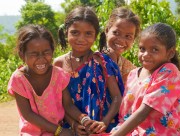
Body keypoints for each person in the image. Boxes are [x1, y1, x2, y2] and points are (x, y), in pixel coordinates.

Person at [7, 24, 94, 136]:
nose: (41, 58)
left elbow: (67, 105)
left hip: (59, 127)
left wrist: (83, 120)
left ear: (52, 52)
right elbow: (27, 114)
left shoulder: (59, 75)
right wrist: (59, 131)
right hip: (32, 132)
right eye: (34, 54)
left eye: (46, 52)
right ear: (22, 55)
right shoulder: (18, 79)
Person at [54, 6, 124, 135]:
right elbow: (60, 102)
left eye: (88, 33)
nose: (81, 38)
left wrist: (105, 122)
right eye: (75, 32)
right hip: (71, 127)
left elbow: (116, 97)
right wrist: (73, 124)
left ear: (96, 35)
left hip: (102, 127)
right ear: (66, 32)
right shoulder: (59, 64)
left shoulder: (102, 62)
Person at [111, 23, 180, 136]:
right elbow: (125, 113)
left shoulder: (169, 72)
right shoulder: (133, 74)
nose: (146, 54)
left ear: (170, 53)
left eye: (154, 50)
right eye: (142, 49)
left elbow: (144, 111)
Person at [99, 7, 140, 83]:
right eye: (116, 33)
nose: (121, 40)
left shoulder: (130, 69)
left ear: (133, 39)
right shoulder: (92, 60)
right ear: (107, 31)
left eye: (128, 36)